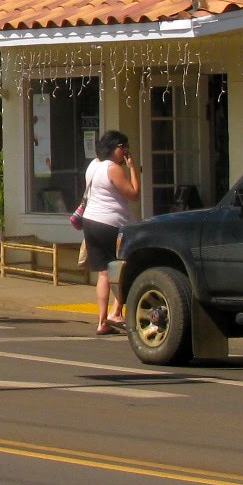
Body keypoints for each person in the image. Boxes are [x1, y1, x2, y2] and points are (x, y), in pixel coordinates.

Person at [81, 129, 140, 334]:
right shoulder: (113, 168)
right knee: (125, 267)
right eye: (123, 147)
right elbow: (134, 194)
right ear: (114, 148)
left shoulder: (93, 165)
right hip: (111, 224)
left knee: (104, 273)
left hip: (91, 222)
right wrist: (133, 169)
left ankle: (102, 321)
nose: (125, 152)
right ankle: (116, 311)